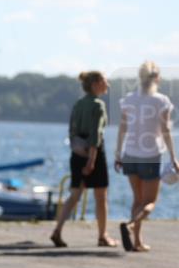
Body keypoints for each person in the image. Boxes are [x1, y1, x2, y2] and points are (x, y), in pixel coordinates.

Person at [115, 61, 178, 252]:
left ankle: (137, 242)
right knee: (150, 202)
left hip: (129, 155)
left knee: (137, 200)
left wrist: (118, 154)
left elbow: (122, 128)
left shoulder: (128, 99)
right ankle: (131, 226)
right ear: (157, 78)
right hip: (150, 155)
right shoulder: (161, 101)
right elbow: (166, 130)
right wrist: (174, 157)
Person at [50, 71, 117, 248]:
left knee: (74, 194)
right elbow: (96, 134)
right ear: (95, 84)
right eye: (104, 81)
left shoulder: (78, 104)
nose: (107, 84)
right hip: (93, 154)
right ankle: (103, 235)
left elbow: (71, 130)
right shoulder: (98, 105)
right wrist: (92, 160)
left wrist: (79, 151)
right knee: (101, 196)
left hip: (77, 152)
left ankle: (57, 229)